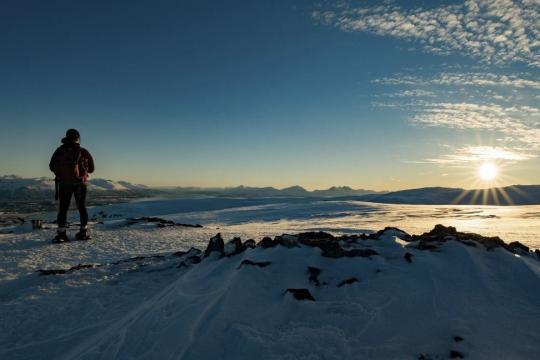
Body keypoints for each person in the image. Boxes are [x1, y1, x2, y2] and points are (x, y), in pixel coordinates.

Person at [49, 129, 95, 242]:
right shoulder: (83, 151)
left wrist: (63, 174)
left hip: (64, 184)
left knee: (63, 209)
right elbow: (92, 169)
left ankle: (61, 234)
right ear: (78, 138)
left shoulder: (59, 150)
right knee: (82, 207)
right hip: (80, 184)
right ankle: (83, 232)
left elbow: (51, 166)